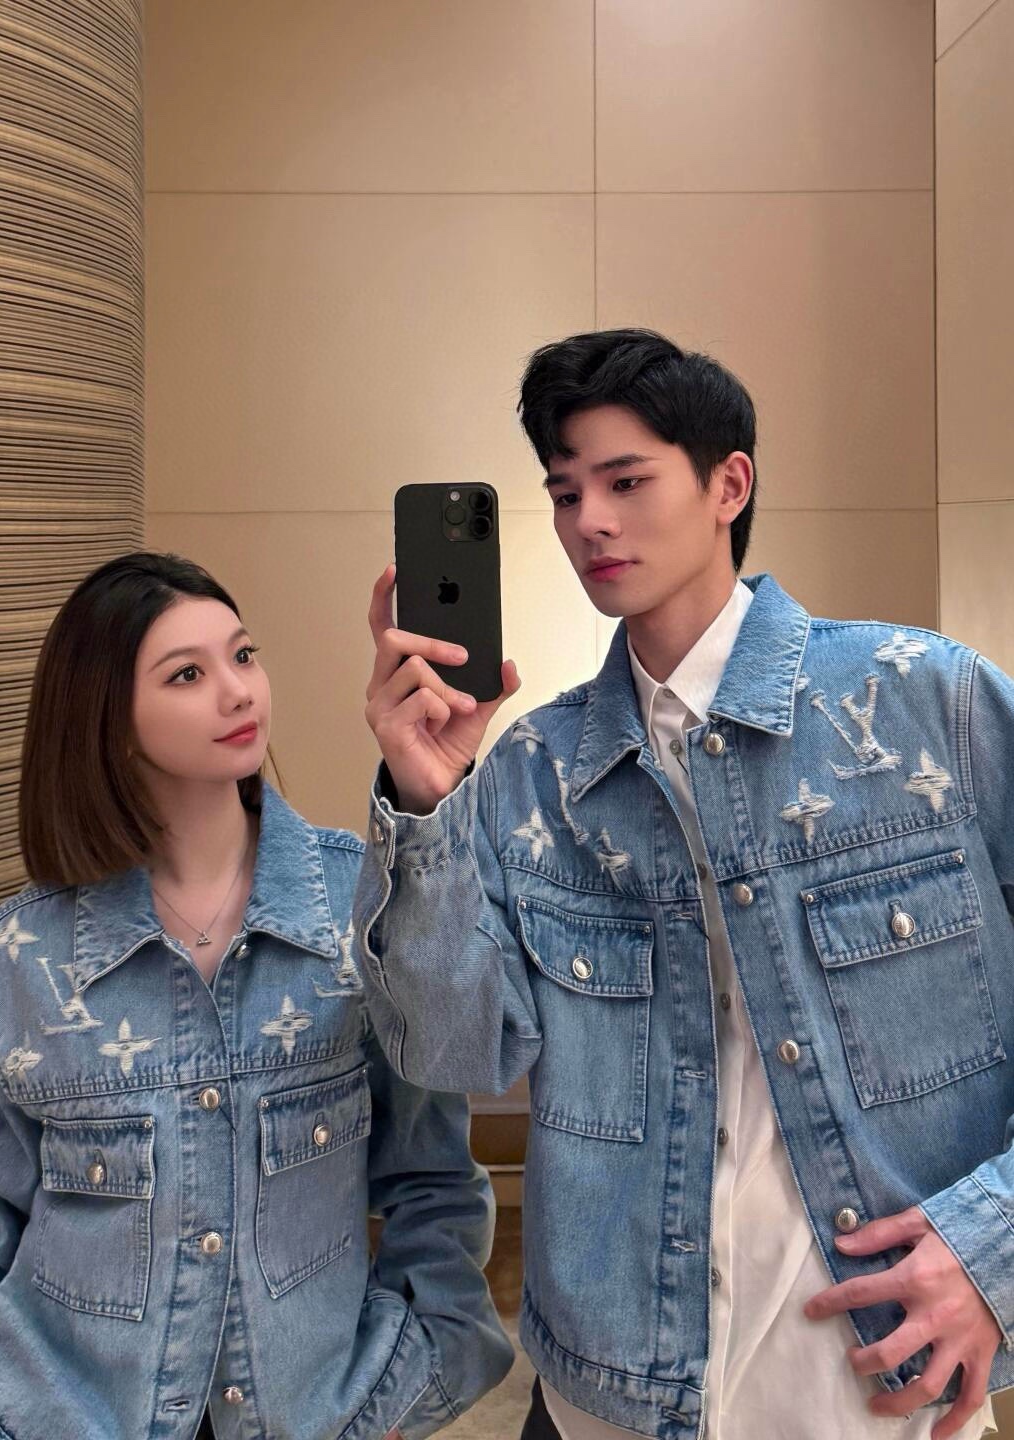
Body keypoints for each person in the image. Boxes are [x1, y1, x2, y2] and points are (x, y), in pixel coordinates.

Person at [354, 328, 1014, 1440]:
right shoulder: (532, 772)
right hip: (606, 1396)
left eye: (625, 481)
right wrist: (426, 806)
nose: (589, 522)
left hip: (875, 1399)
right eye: (565, 492)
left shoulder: (925, 704)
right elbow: (455, 1053)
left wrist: (994, 1247)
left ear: (728, 485)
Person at [0, 551, 511, 1440]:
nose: (238, 692)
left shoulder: (361, 913)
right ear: (108, 719)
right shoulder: (8, 963)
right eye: (187, 675)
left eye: (243, 656)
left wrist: (409, 1383)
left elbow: (433, 1182)